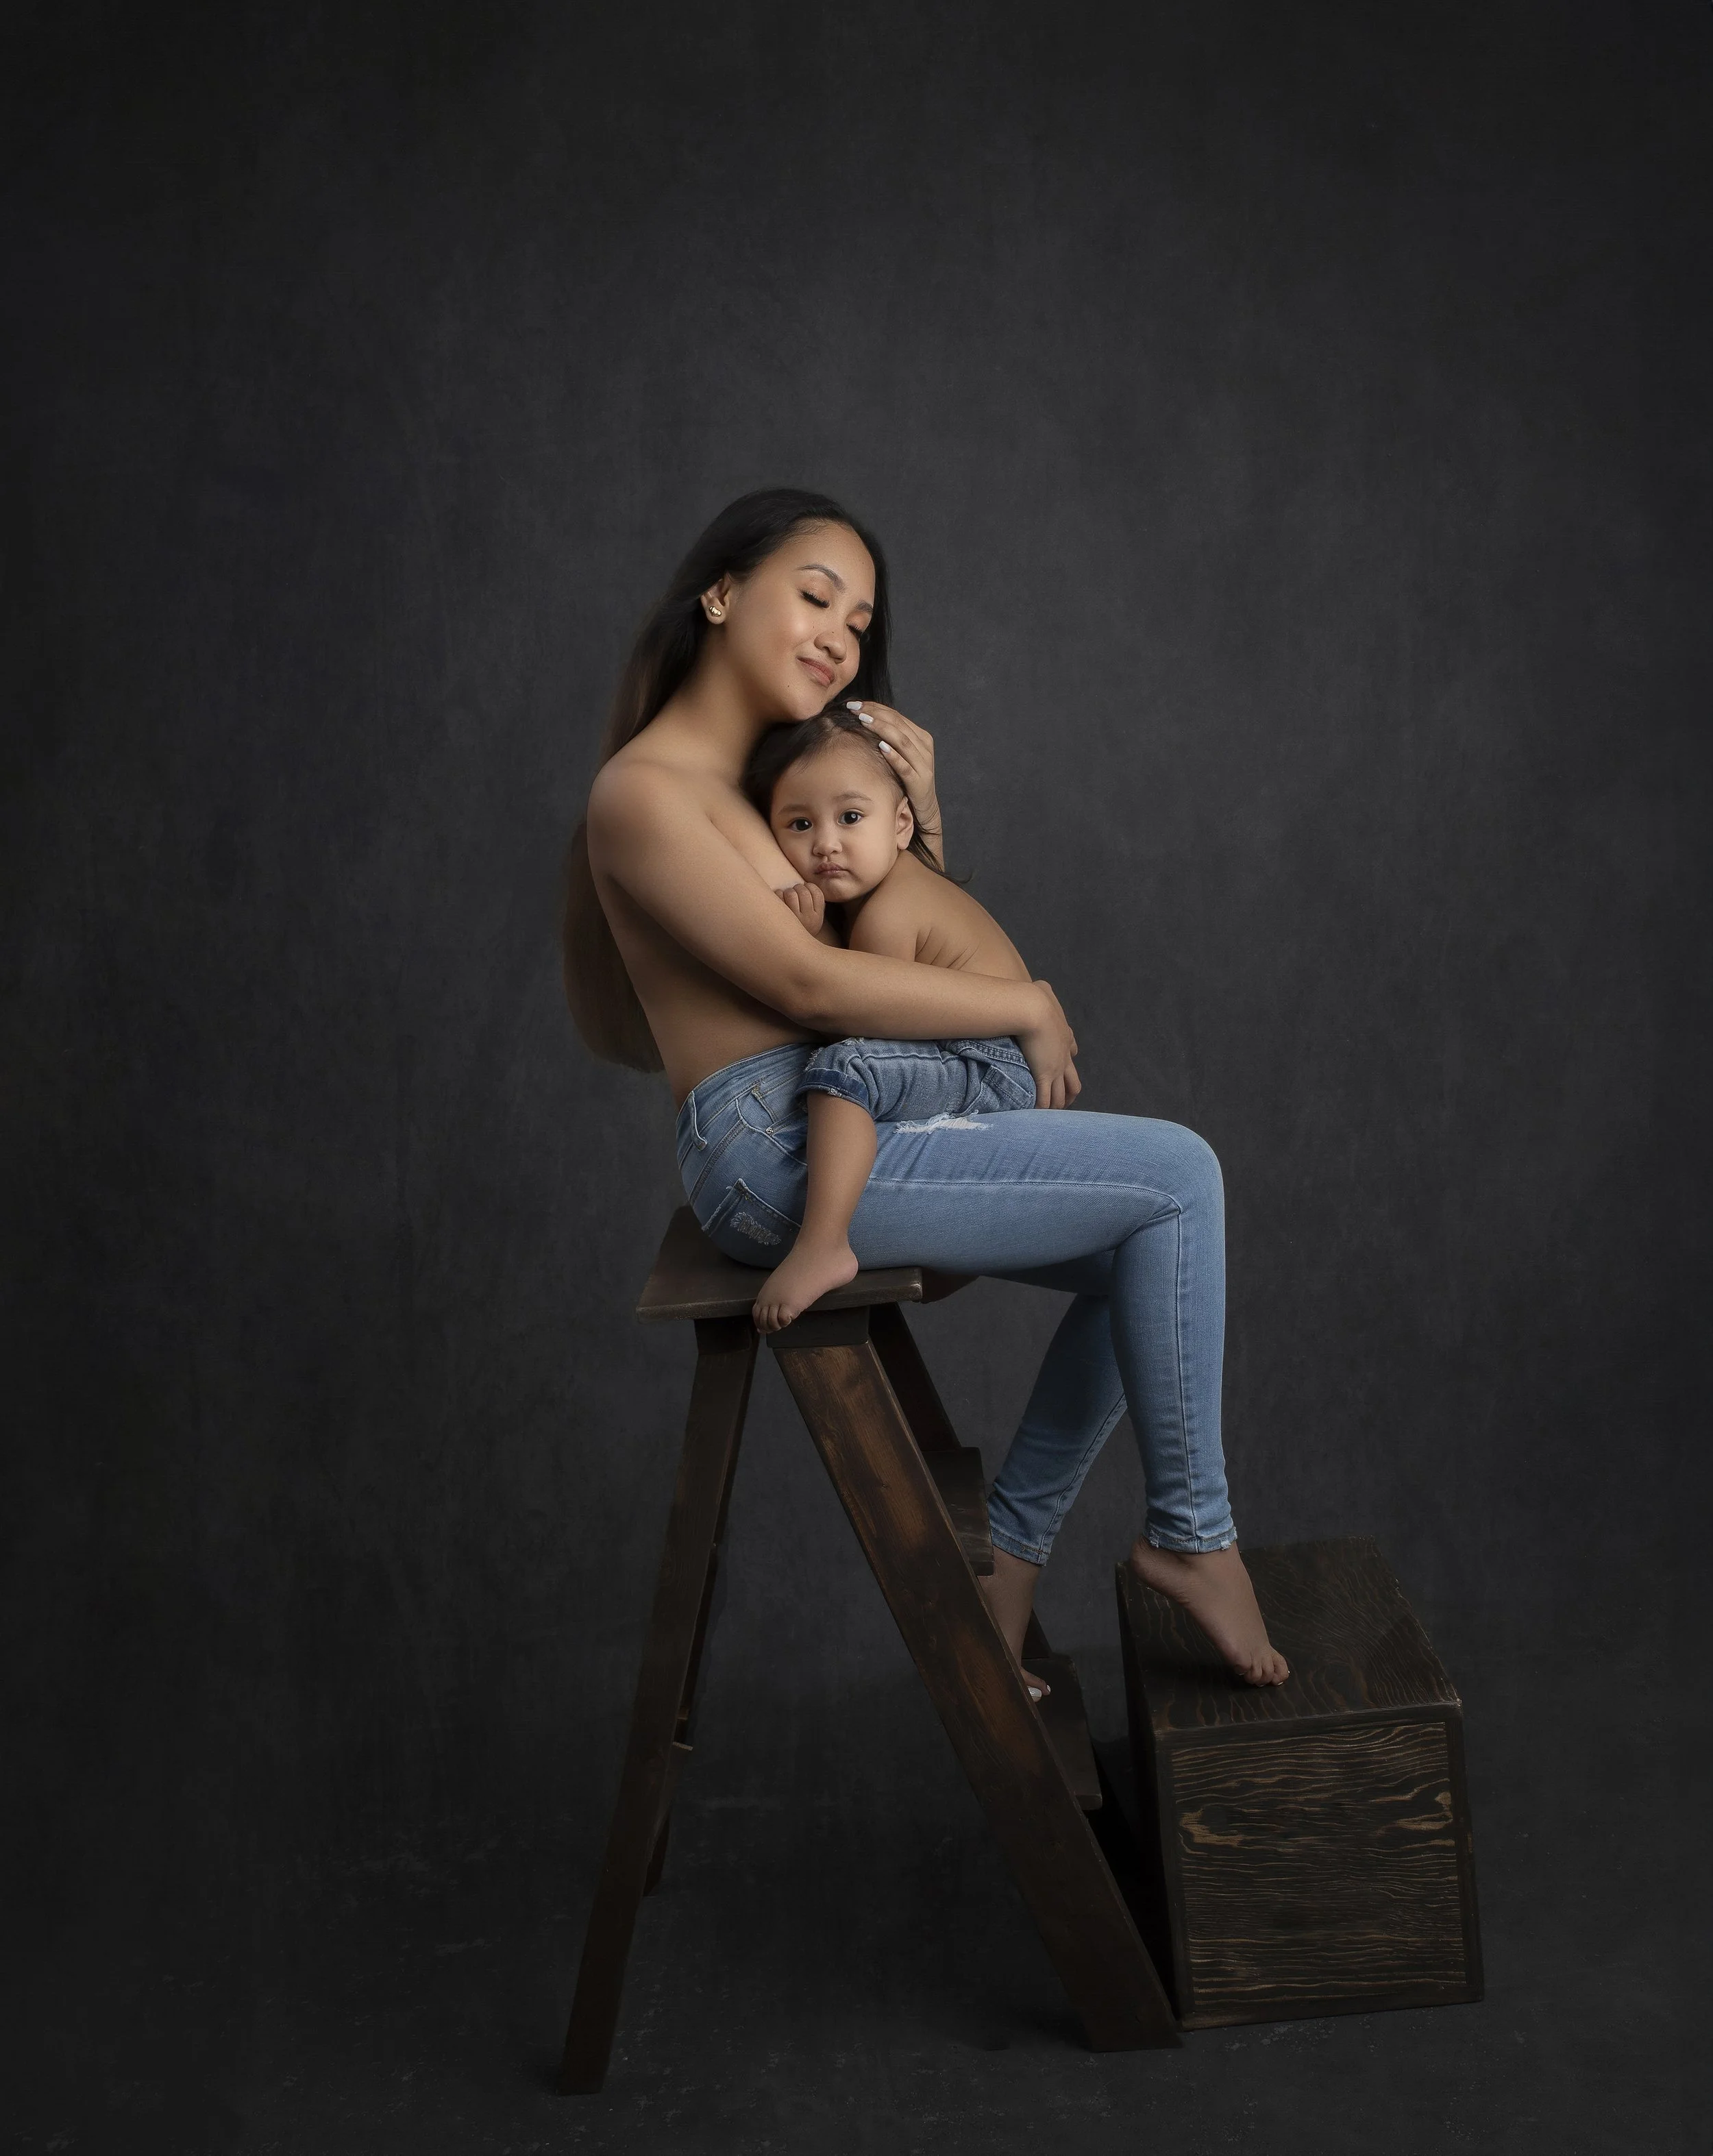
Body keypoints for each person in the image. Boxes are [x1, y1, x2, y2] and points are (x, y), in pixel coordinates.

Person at [564, 486, 1288, 1690]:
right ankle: (1193, 1535)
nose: (843, 633)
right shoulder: (646, 792)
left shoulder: (762, 787)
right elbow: (813, 984)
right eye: (814, 594)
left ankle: (1007, 1558)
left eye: (859, 618)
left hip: (840, 1114)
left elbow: (894, 958)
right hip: (770, 1151)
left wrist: (927, 825)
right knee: (1179, 1179)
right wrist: (1029, 1001)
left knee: (1148, 1259)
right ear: (723, 592)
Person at [739, 707, 1037, 1334]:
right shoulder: (891, 890)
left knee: (844, 1067)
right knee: (855, 1070)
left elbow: (856, 1018)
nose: (826, 843)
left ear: (902, 824)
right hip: (975, 1054)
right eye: (800, 824)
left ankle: (824, 1242)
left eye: (851, 817)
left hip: (986, 1063)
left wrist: (813, 939)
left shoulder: (888, 914)